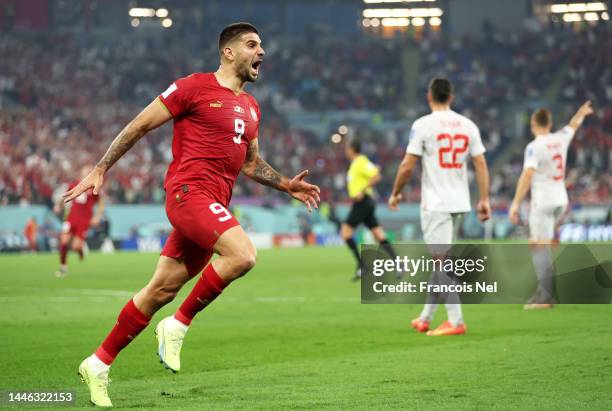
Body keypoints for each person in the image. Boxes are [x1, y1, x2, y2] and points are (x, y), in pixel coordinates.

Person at [64, 23, 320, 407]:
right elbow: (139, 125)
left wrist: (286, 184)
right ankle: (178, 324)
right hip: (188, 194)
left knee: (159, 291)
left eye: (262, 45)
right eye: (252, 45)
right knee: (243, 255)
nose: (261, 51)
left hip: (213, 204)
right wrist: (102, 167)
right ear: (229, 52)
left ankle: (98, 363)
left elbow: (250, 164)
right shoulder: (191, 88)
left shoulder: (251, 107)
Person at [388, 78, 491, 336]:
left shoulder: (423, 125)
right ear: (451, 97)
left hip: (437, 203)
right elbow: (480, 164)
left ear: (429, 96)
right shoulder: (468, 125)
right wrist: (485, 199)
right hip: (460, 203)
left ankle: (456, 321)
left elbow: (408, 165)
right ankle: (425, 317)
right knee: (440, 261)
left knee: (441, 263)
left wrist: (396, 193)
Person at [509, 101, 593, 309]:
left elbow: (527, 174)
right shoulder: (559, 139)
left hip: (544, 201)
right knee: (539, 244)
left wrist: (515, 203)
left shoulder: (534, 146)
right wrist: (580, 113)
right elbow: (573, 126)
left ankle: (544, 296)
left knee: (538, 246)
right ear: (550, 123)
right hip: (560, 200)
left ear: (533, 125)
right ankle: (544, 290)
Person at [342, 139, 397, 281]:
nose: (345, 151)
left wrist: (362, 189)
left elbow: (376, 175)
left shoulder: (360, 161)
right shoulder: (355, 164)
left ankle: (362, 265)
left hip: (363, 202)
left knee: (346, 232)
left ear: (352, 149)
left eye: (347, 148)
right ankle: (398, 263)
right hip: (363, 203)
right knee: (378, 234)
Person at [53, 165, 105, 277]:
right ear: (81, 174)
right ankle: (63, 269)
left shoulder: (93, 188)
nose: (87, 173)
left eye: (89, 172)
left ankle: (80, 250)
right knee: (64, 242)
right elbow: (64, 196)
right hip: (71, 219)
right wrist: (58, 205)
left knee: (76, 246)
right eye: (85, 172)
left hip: (84, 222)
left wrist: (97, 216)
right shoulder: (74, 185)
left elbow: (101, 202)